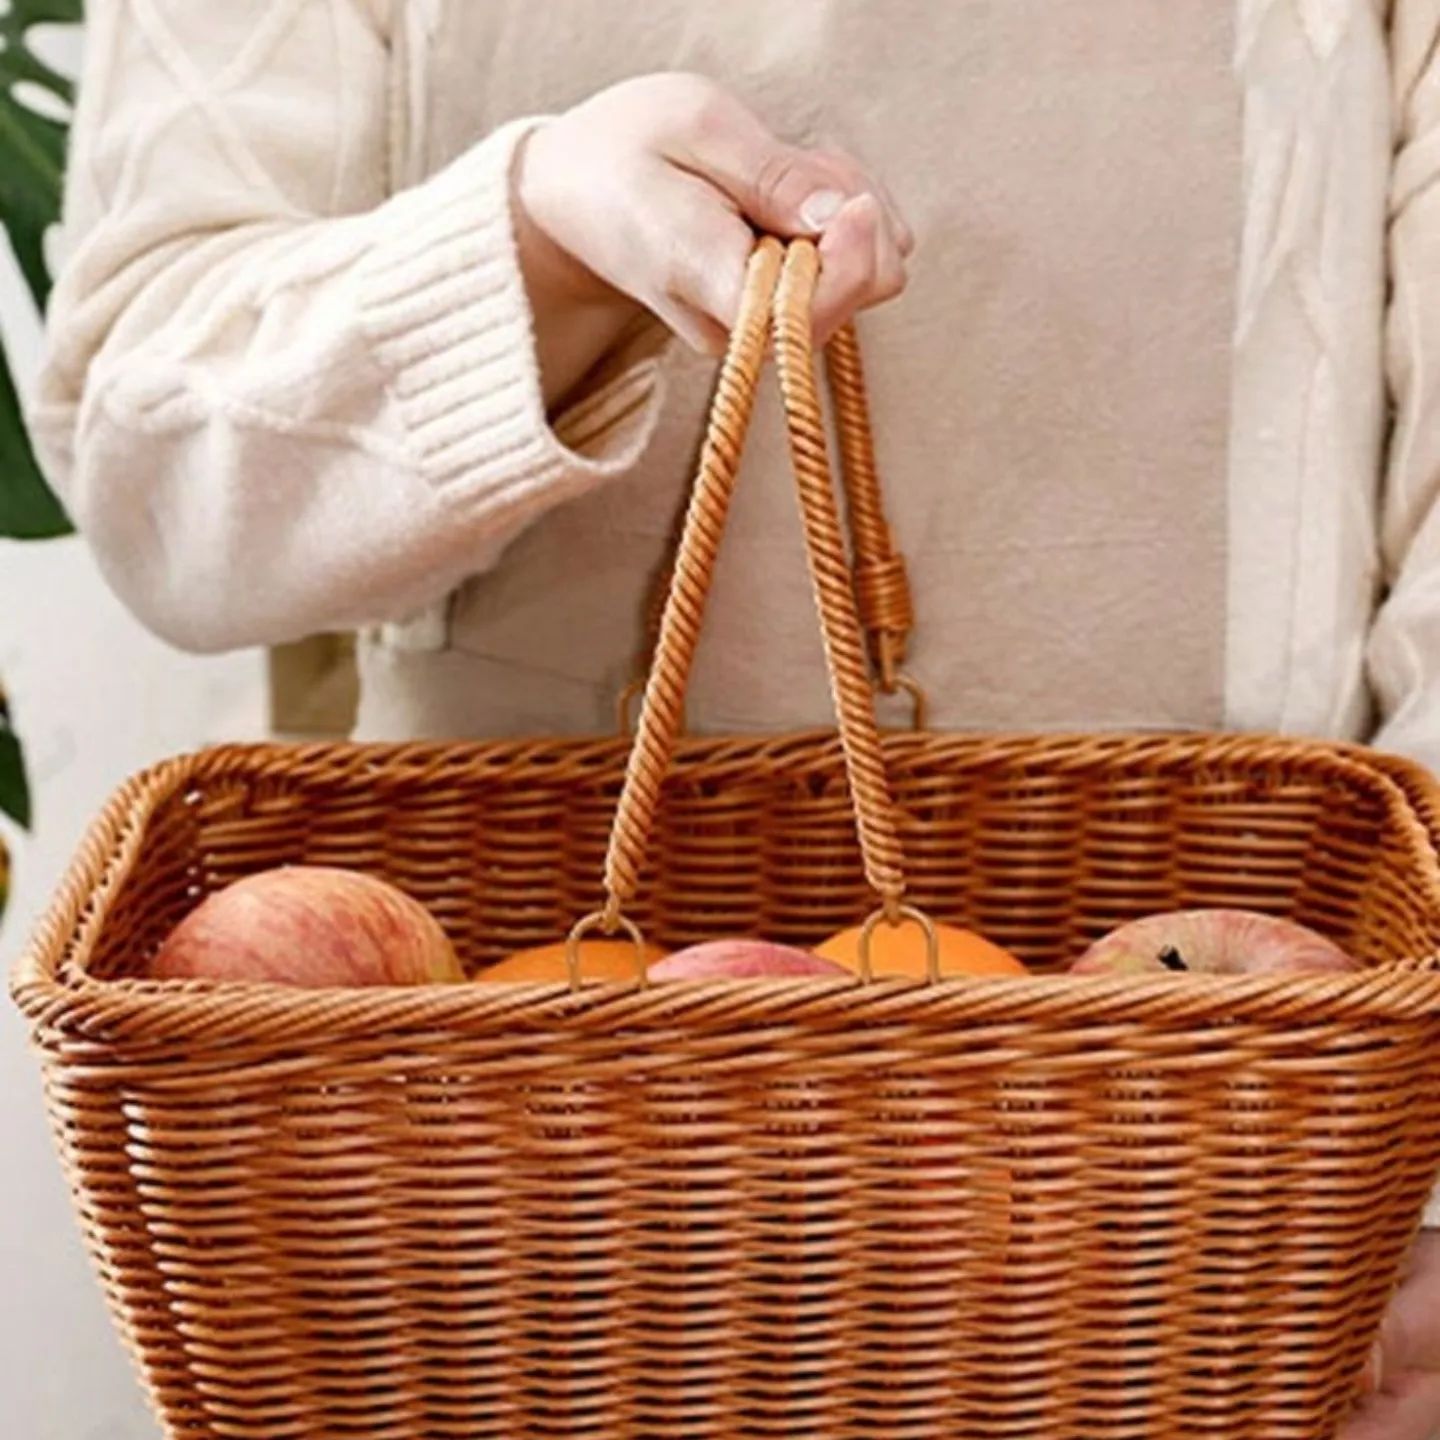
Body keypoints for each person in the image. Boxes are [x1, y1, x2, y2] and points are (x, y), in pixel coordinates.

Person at [31, 3, 1440, 1432]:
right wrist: (533, 250)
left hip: (1241, 1204)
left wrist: (1416, 1174)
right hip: (497, 1234)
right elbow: (152, 480)